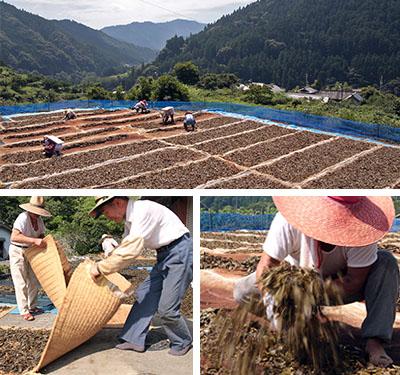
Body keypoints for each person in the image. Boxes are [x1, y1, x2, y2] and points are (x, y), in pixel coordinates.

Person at [233, 196, 398, 368]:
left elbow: (353, 281)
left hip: (339, 287)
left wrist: (311, 293)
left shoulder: (363, 231)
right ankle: (294, 324)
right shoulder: (287, 222)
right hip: (293, 285)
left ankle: (375, 342)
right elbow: (266, 267)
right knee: (242, 291)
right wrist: (274, 306)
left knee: (386, 263)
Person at [89, 196, 193, 356]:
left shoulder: (141, 211)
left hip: (179, 252)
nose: (107, 216)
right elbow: (124, 246)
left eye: (105, 211)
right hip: (164, 255)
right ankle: (133, 339)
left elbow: (131, 250)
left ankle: (182, 340)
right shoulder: (130, 221)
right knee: (144, 294)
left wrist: (101, 268)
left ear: (118, 203)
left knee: (167, 308)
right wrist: (108, 261)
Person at [9, 196, 51, 321]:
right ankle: (24, 310)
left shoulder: (39, 220)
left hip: (31, 251)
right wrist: (34, 240)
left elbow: (41, 234)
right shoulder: (23, 218)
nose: (37, 214)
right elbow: (14, 237)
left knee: (33, 280)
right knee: (20, 281)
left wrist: (45, 240)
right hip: (17, 250)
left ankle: (32, 306)